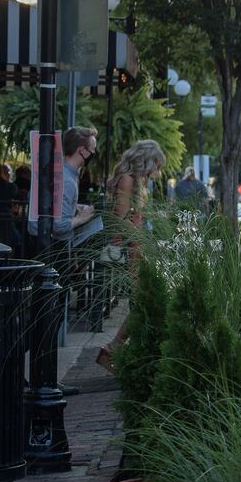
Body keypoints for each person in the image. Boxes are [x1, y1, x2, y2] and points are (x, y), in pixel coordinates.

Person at [92, 140, 166, 369]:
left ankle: (118, 351)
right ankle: (113, 351)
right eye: (156, 164)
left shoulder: (136, 182)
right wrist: (139, 233)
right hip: (130, 249)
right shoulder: (127, 181)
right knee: (141, 302)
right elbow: (120, 221)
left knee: (142, 303)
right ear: (146, 160)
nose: (157, 171)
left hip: (136, 247)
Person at [31, 126, 97, 245]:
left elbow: (53, 205)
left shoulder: (63, 172)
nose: (94, 153)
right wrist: (81, 218)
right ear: (82, 150)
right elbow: (59, 226)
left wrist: (74, 206)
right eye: (93, 149)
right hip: (53, 247)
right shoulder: (66, 180)